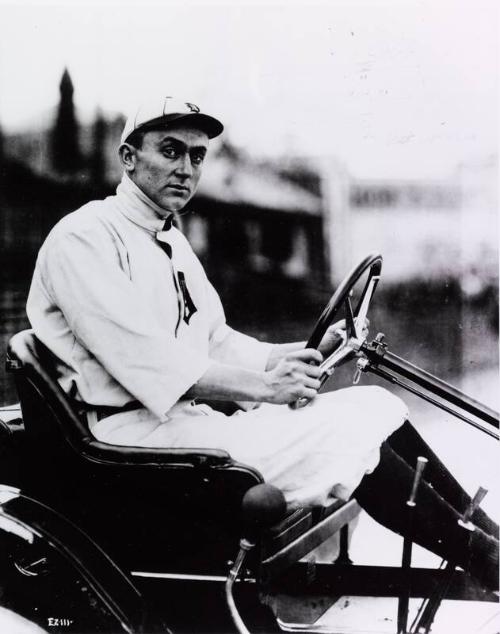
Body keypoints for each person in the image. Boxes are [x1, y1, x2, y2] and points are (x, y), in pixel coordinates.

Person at [26, 96, 498, 591]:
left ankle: (490, 546)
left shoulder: (170, 239)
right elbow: (149, 364)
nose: (186, 168)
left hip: (178, 423)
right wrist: (268, 387)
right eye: (170, 151)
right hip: (127, 440)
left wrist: (288, 354)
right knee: (341, 437)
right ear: (128, 157)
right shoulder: (84, 239)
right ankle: (488, 561)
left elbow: (215, 339)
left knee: (376, 405)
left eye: (197, 155)